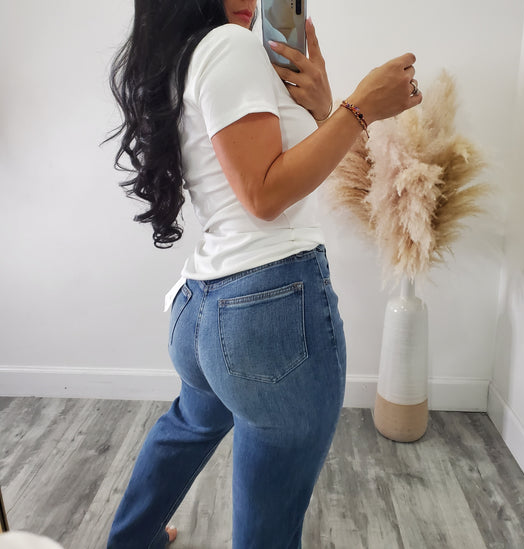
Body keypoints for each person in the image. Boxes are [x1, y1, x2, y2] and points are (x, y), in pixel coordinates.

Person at [105, 1, 422, 547]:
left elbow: (273, 178)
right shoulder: (228, 46)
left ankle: (131, 540)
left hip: (203, 308)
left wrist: (326, 111)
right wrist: (362, 106)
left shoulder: (186, 58)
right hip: (269, 314)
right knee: (269, 519)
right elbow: (264, 195)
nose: (250, 1)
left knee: (187, 428)